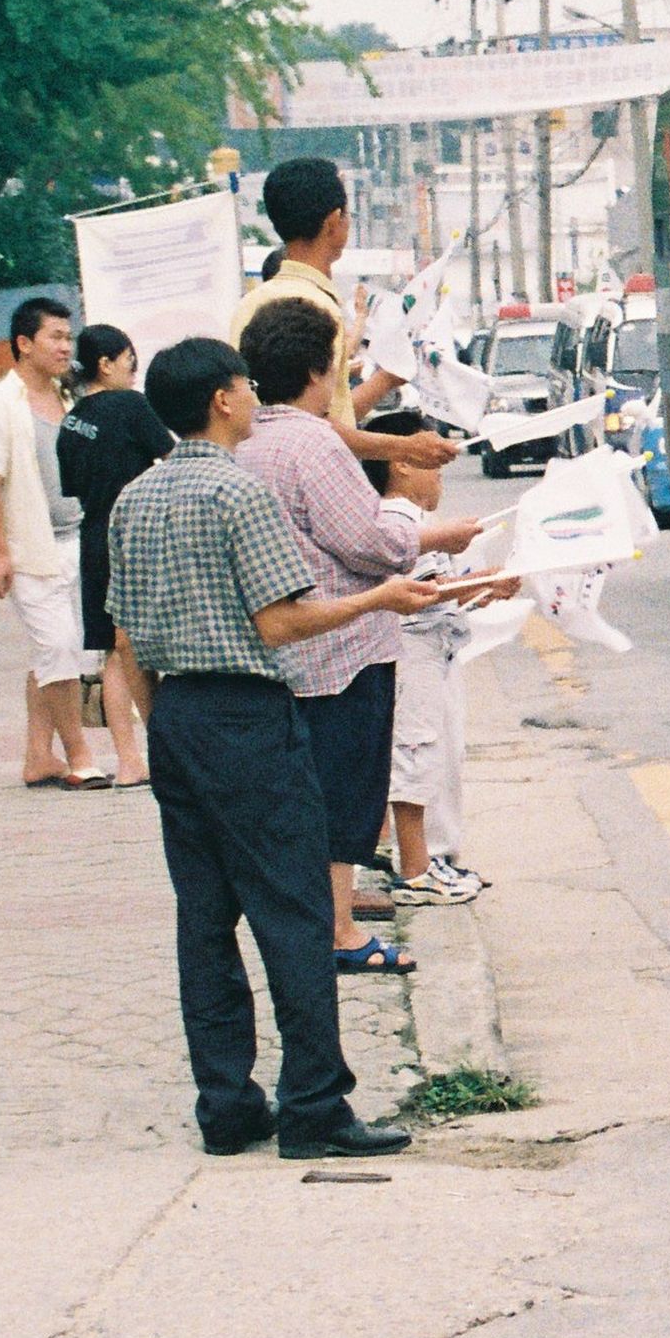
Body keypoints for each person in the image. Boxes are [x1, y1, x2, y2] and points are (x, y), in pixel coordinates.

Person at [112, 337, 490, 1158]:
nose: (255, 396)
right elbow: (282, 620)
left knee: (204, 920)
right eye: (244, 385)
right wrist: (381, 599)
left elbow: (126, 641)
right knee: (295, 910)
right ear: (221, 399)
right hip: (249, 713)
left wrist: (164, 721)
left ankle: (225, 1104)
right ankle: (314, 1103)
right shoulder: (239, 494)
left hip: (177, 716)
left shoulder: (134, 498)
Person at [234, 297, 485, 975]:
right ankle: (340, 931)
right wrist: (427, 529)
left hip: (279, 649)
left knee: (302, 796)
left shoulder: (247, 439)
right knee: (341, 796)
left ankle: (319, 922)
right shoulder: (314, 443)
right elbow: (371, 542)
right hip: (339, 650)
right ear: (317, 371)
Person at [0, 298, 107, 785]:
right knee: (58, 647)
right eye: (55, 337)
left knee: (62, 653)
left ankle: (38, 757)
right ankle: (80, 756)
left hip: (77, 539)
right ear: (24, 344)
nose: (66, 347)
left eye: (69, 337)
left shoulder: (71, 402)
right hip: (30, 549)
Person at [237, 157, 456, 477]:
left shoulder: (249, 303)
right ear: (333, 221)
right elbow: (311, 427)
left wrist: (384, 380)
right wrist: (405, 447)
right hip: (309, 480)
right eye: (348, 213)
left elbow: (329, 416)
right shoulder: (314, 309)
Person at [364, 412, 484, 904]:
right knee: (414, 753)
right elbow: (423, 592)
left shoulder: (413, 519)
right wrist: (482, 583)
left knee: (437, 755)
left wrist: (482, 587)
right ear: (401, 462)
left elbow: (439, 589)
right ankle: (416, 870)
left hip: (433, 651)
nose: (440, 473)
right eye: (431, 460)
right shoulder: (397, 518)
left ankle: (435, 859)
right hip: (410, 652)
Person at [61, 325, 179, 790]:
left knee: (114, 651)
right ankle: (161, 752)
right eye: (130, 362)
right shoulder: (130, 405)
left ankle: (129, 760)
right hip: (134, 535)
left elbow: (72, 485)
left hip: (92, 536)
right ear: (105, 364)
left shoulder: (72, 419)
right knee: (138, 647)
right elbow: (175, 456)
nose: (134, 373)